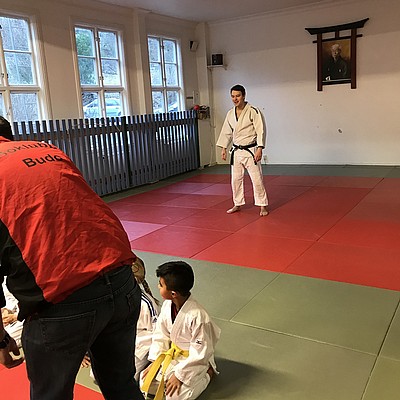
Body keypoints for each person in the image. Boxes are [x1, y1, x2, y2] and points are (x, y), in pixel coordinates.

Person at [0, 116, 144, 400]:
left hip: (62, 301)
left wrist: (2, 340)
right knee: (122, 386)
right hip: (121, 279)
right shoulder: (47, 150)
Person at [140, 261, 220, 400]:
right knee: (144, 382)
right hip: (173, 355)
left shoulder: (199, 317)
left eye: (161, 285)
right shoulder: (167, 305)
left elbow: (201, 352)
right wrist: (155, 361)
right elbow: (161, 335)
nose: (158, 286)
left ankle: (208, 373)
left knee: (176, 397)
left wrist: (179, 376)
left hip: (193, 361)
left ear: (173, 293)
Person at [81, 256, 160, 382]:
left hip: (138, 348)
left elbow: (157, 334)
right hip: (119, 341)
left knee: (123, 378)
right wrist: (84, 351)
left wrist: (155, 360)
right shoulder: (112, 297)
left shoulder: (146, 304)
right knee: (97, 374)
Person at [216, 84, 269, 216]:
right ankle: (237, 203)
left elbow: (260, 130)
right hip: (236, 151)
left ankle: (262, 205)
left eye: (238, 96)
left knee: (257, 179)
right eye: (233, 96)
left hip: (251, 150)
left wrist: (260, 148)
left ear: (244, 96)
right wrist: (224, 148)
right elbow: (227, 131)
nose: (235, 99)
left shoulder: (253, 111)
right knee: (236, 180)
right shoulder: (230, 113)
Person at [1, 278, 23, 348]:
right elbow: (7, 298)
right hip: (9, 315)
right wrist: (4, 310)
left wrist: (15, 317)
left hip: (24, 317)